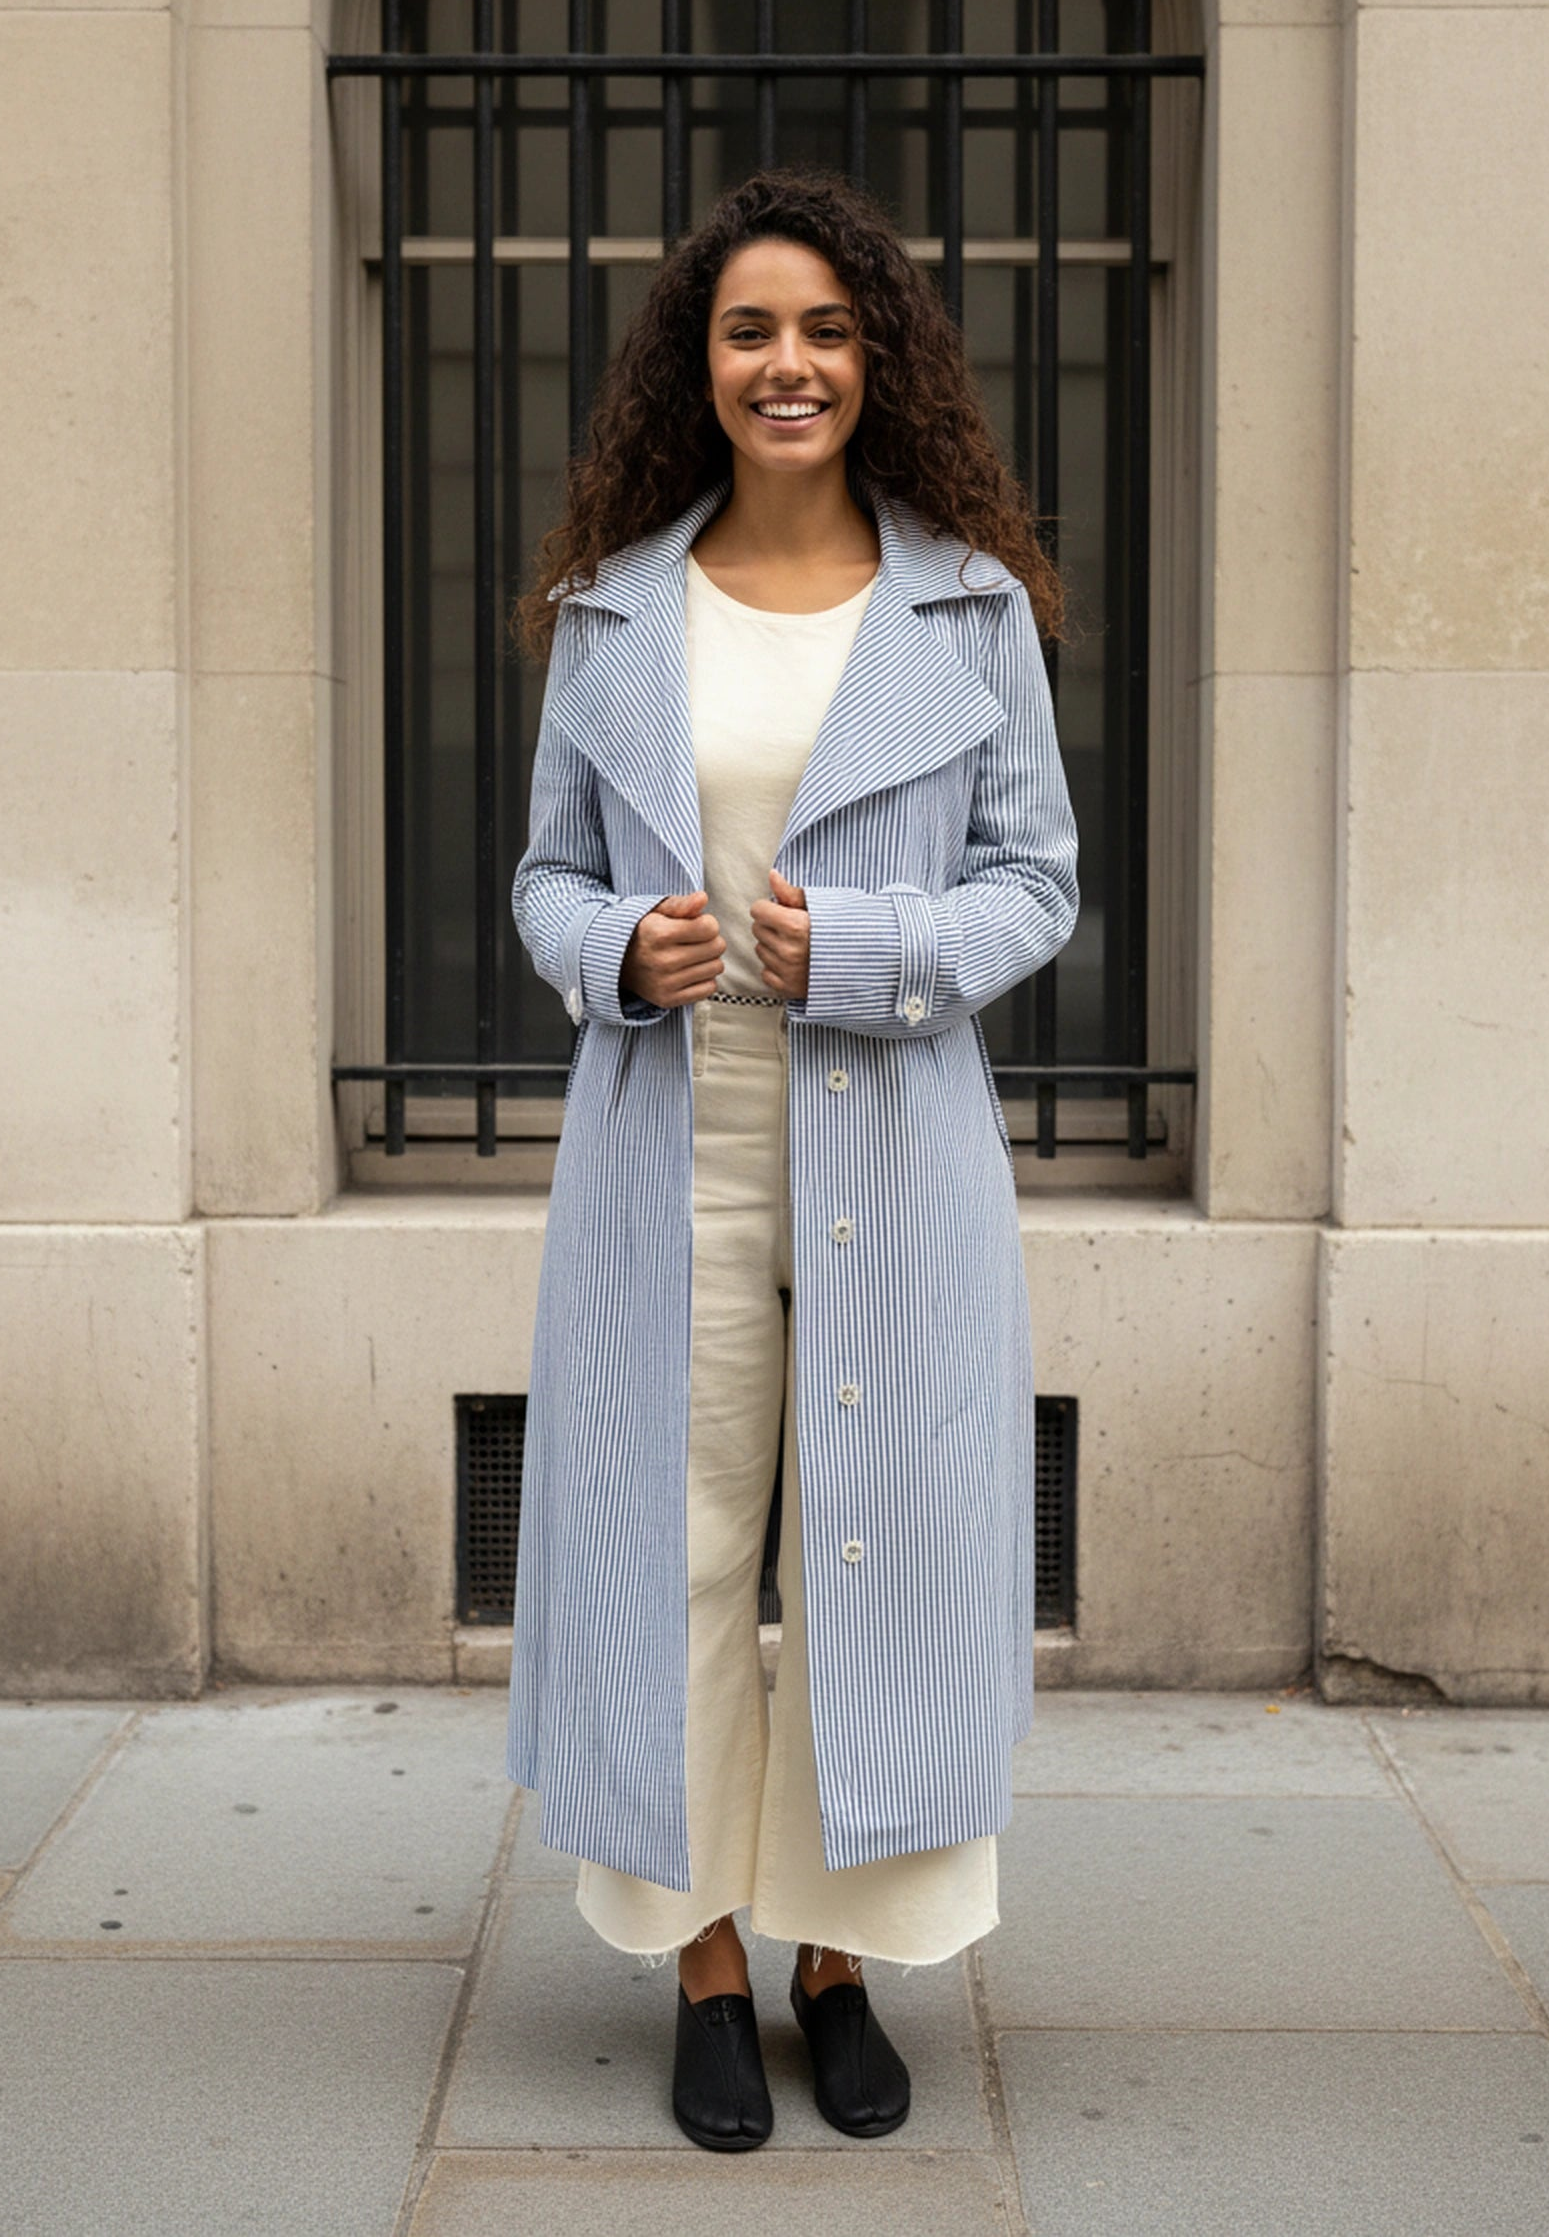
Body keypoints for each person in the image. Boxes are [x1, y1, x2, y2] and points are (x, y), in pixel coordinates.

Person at [506, 166, 1077, 2153]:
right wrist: (612, 952)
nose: (790, 364)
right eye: (752, 329)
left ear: (878, 360)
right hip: (673, 1145)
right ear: (700, 360)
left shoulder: (969, 607)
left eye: (826, 331)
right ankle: (703, 1963)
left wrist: (872, 949)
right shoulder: (612, 613)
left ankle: (837, 1963)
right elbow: (546, 876)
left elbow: (1037, 886)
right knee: (672, 1546)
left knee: (873, 1547)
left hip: (891, 1145)